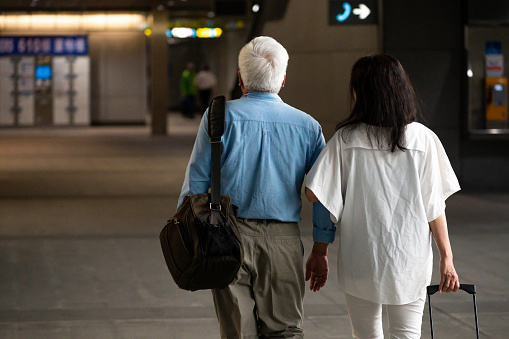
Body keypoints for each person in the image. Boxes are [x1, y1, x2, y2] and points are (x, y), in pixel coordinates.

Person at [177, 36, 335, 338]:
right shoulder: (308, 126)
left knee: (237, 332)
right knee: (285, 331)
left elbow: (197, 181)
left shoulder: (218, 117)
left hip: (226, 237)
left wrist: (188, 238)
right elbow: (322, 194)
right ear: (283, 79)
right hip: (283, 240)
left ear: (241, 78)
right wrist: (320, 247)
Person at [304, 55, 461, 339]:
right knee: (407, 334)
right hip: (409, 260)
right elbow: (434, 206)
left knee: (365, 335)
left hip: (361, 258)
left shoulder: (346, 139)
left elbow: (314, 193)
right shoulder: (423, 139)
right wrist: (446, 258)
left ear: (361, 92)